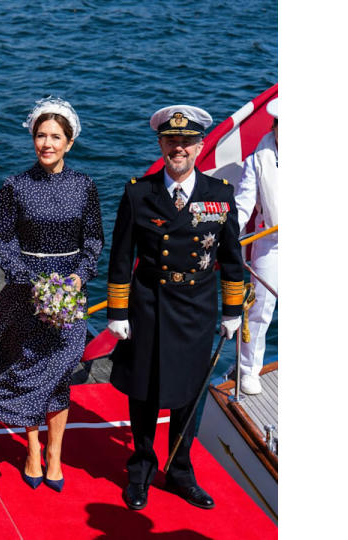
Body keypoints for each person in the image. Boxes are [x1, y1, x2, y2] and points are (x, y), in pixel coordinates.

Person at [0, 97, 103, 492]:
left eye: (55, 137)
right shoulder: (16, 186)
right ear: (33, 139)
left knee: (60, 369)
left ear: (69, 142)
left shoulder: (85, 186)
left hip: (69, 293)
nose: (47, 143)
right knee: (30, 367)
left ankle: (55, 454)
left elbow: (94, 240)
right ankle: (33, 447)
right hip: (27, 291)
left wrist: (78, 278)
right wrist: (27, 279)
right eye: (41, 136)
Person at [105, 104, 245, 511]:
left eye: (186, 141)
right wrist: (117, 313)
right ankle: (141, 472)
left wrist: (232, 311)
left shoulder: (220, 196)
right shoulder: (138, 193)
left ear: (200, 146)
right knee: (144, 393)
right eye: (171, 141)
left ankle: (181, 472)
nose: (178, 148)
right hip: (148, 306)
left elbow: (233, 259)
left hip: (196, 311)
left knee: (189, 393)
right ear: (161, 144)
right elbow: (120, 257)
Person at [232, 97, 278, 395]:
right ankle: (248, 369)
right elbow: (243, 205)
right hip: (273, 242)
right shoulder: (258, 158)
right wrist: (227, 236)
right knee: (260, 306)